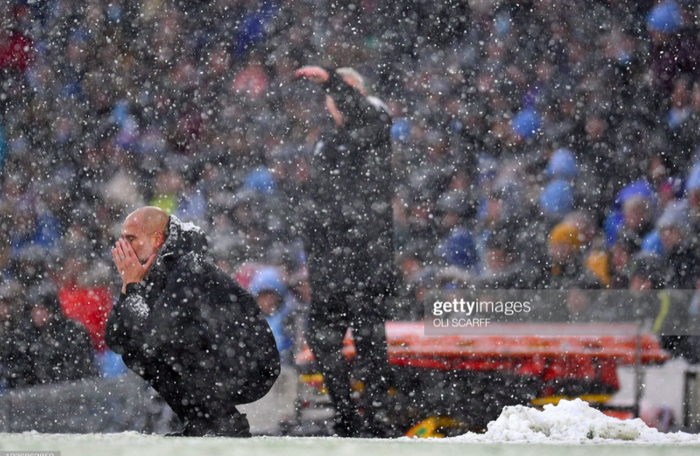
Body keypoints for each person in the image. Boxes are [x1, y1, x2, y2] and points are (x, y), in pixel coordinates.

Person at [105, 207, 280, 437]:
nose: (124, 248)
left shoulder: (188, 266)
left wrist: (134, 289)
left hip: (251, 364)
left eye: (131, 239)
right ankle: (199, 421)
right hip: (220, 358)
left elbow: (155, 338)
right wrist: (129, 288)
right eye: (123, 239)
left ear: (156, 239)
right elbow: (116, 339)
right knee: (134, 352)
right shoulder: (148, 273)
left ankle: (224, 421)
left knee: (166, 343)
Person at [295, 66, 397, 437]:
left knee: (369, 340)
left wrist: (333, 80)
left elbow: (364, 112)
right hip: (331, 261)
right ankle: (348, 415)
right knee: (323, 338)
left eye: (340, 95)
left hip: (365, 258)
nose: (334, 102)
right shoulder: (329, 138)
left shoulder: (374, 120)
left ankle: (374, 417)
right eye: (331, 97)